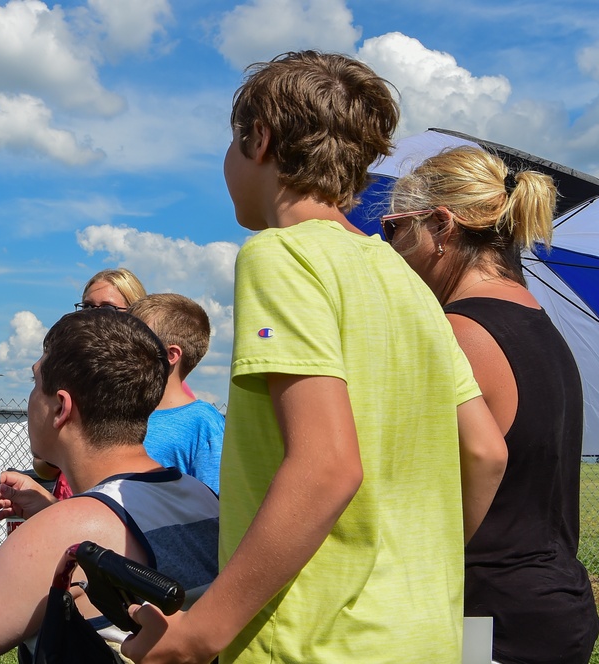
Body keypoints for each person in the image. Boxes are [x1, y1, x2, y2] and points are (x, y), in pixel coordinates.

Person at [122, 51, 507, 664]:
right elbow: (486, 453)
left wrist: (199, 635)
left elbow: (327, 465)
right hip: (423, 635)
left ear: (260, 139)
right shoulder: (408, 279)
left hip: (313, 641)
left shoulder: (280, 255)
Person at [0, 309, 219, 663]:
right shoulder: (200, 497)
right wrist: (53, 509)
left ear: (60, 408)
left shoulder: (66, 531)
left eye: (35, 383)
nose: (30, 399)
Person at [385, 145, 599, 663]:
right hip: (549, 604)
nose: (388, 247)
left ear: (440, 226)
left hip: (486, 623)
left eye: (394, 228)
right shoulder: (542, 327)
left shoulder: (455, 333)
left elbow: (473, 462)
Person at [34, 267, 151, 499]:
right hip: (72, 507)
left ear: (135, 313)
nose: (93, 315)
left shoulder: (145, 386)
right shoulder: (72, 376)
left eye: (107, 308)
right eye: (87, 307)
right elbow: (44, 466)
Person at [128, 293, 225, 494]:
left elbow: (215, 507)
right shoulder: (118, 411)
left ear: (170, 355)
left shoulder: (203, 424)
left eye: (135, 339)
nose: (122, 346)